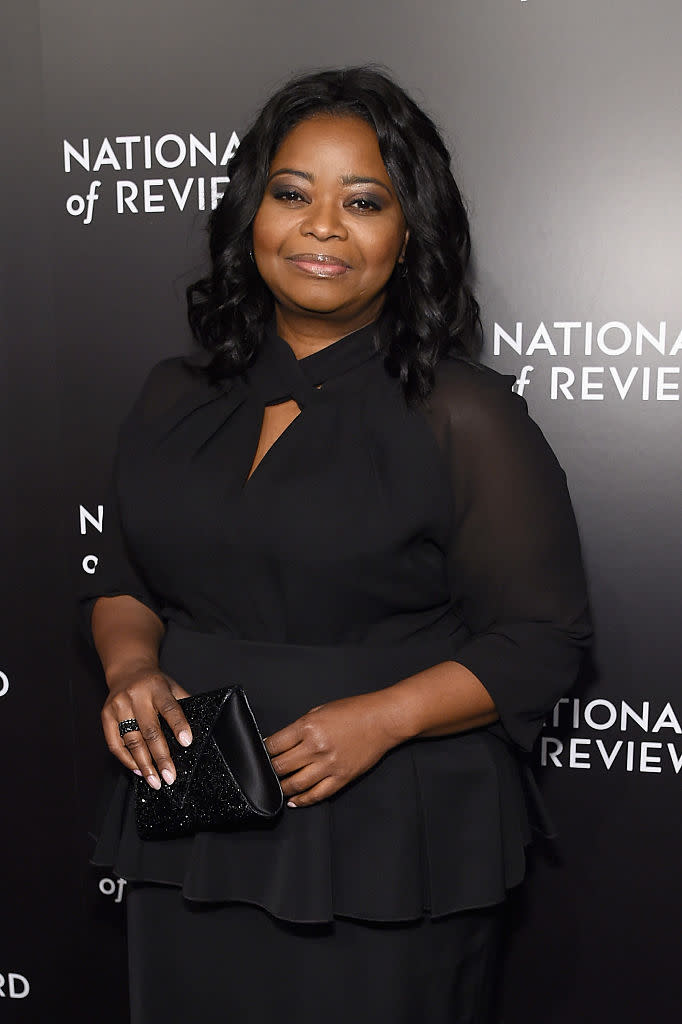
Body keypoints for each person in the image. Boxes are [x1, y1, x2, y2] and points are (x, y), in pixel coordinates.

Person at [82, 66, 592, 1024]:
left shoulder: (464, 416)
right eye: (291, 193)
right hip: (194, 812)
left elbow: (541, 642)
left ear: (409, 238)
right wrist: (131, 667)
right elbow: (125, 579)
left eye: (364, 201)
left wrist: (385, 718)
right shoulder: (172, 396)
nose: (322, 227)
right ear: (251, 216)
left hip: (388, 834)